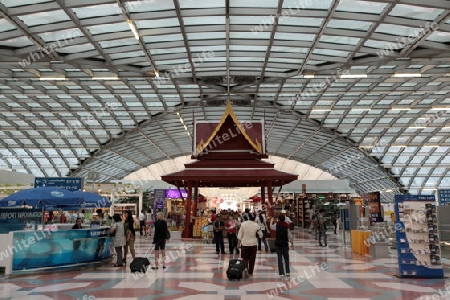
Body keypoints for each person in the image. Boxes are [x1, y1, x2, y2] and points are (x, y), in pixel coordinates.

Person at [237, 212, 263, 278]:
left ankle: (245, 269)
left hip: (244, 244)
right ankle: (250, 272)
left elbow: (240, 235)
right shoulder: (256, 225)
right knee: (252, 259)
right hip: (253, 244)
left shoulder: (243, 224)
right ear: (254, 218)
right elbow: (261, 235)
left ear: (248, 217)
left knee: (245, 258)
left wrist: (238, 244)